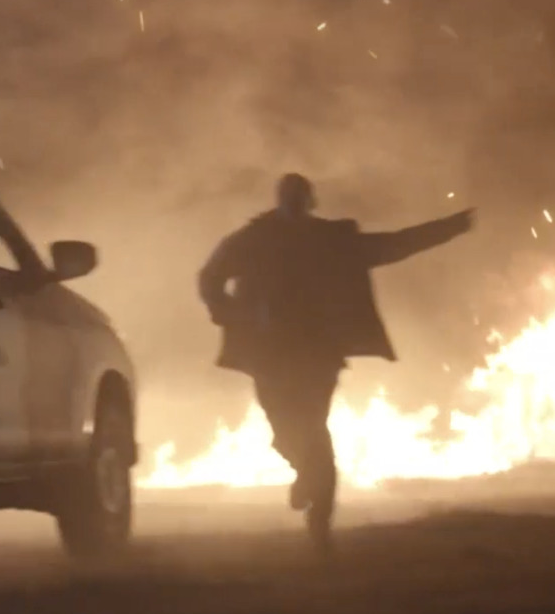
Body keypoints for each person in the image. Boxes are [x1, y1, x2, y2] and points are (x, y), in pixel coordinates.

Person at [198, 173, 475, 553]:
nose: (295, 203)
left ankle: (320, 522)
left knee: (312, 430)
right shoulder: (253, 240)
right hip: (271, 354)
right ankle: (307, 475)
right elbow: (210, 277)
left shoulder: (330, 240)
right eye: (291, 197)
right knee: (286, 430)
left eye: (299, 197)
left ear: (308, 202)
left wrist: (449, 228)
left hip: (315, 355)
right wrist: (225, 311)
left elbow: (392, 246)